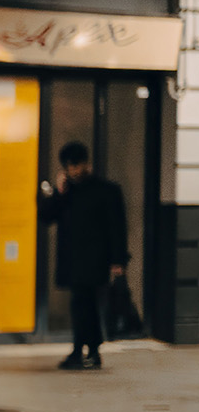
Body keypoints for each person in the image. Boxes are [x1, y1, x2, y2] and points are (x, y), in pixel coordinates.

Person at [40, 141, 129, 370]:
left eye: (77, 165)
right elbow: (47, 217)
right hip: (73, 261)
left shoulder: (106, 191)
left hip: (95, 260)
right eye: (70, 166)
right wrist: (58, 194)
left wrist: (118, 260)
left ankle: (87, 350)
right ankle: (87, 350)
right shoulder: (67, 193)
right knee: (81, 305)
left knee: (87, 305)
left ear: (86, 164)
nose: (74, 171)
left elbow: (117, 228)